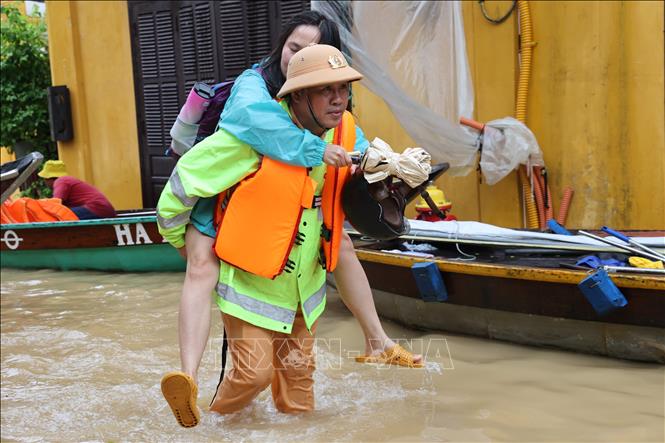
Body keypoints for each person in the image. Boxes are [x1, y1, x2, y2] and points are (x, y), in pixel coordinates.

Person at [160, 12, 422, 429]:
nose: (339, 99)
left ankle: (374, 345)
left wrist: (395, 179)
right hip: (251, 282)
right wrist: (179, 238)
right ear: (297, 96)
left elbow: (364, 172)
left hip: (304, 287)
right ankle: (206, 426)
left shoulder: (342, 134)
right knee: (253, 373)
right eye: (325, 91)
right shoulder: (250, 130)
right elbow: (179, 187)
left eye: (343, 90)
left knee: (299, 389)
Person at [38, 160, 116, 219]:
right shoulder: (67, 180)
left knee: (56, 216)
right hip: (103, 210)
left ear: (49, 178)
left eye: (44, 179)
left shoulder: (61, 181)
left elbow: (56, 203)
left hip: (96, 208)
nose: (45, 182)